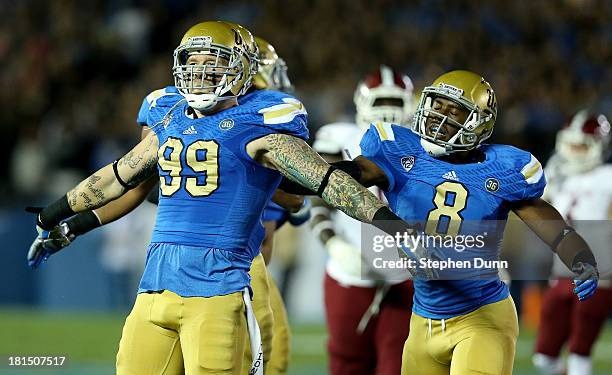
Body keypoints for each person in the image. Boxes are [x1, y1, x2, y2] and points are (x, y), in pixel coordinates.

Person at [27, 21, 418, 375]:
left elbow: (325, 181)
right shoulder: (169, 117)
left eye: (211, 62)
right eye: (192, 62)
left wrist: (392, 224)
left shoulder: (262, 122)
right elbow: (118, 176)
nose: (200, 72)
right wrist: (55, 215)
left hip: (219, 288)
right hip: (154, 287)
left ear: (241, 71)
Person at [282, 69, 600, 375]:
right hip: (423, 319)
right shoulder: (398, 150)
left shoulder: (503, 167)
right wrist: (286, 175)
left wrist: (578, 252)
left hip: (481, 316)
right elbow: (348, 175)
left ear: (479, 122)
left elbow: (539, 213)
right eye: (437, 106)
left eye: (455, 111)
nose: (439, 116)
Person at [310, 65, 415, 375]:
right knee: (347, 364)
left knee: (398, 366)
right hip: (350, 274)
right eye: (380, 102)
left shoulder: (425, 148)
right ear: (362, 102)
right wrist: (334, 243)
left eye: (394, 103)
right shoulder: (339, 139)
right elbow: (317, 200)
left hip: (406, 277)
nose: (386, 112)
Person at [533, 109, 612, 375]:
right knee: (544, 357)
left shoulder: (607, 177)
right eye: (572, 144)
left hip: (598, 275)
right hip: (561, 274)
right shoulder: (556, 174)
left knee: (579, 353)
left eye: (582, 145)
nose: (576, 151)